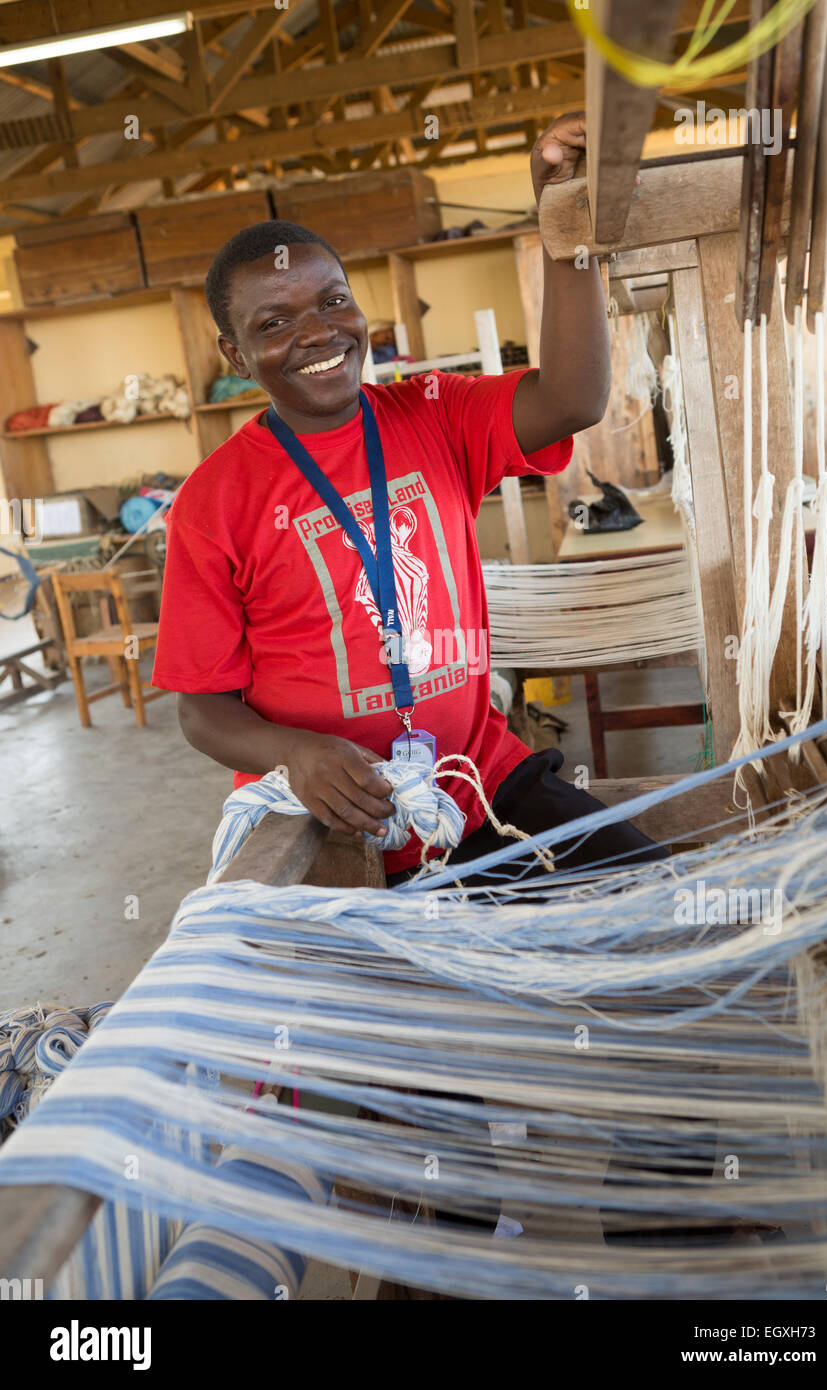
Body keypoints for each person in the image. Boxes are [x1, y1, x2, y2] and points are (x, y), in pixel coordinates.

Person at [152, 112, 667, 887]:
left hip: (478, 784)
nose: (318, 333)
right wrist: (294, 752)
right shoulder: (213, 501)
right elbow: (204, 712)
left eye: (332, 302)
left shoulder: (431, 411)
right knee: (432, 1004)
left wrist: (565, 228)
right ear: (236, 352)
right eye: (274, 322)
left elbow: (572, 397)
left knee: (651, 900)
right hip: (332, 824)